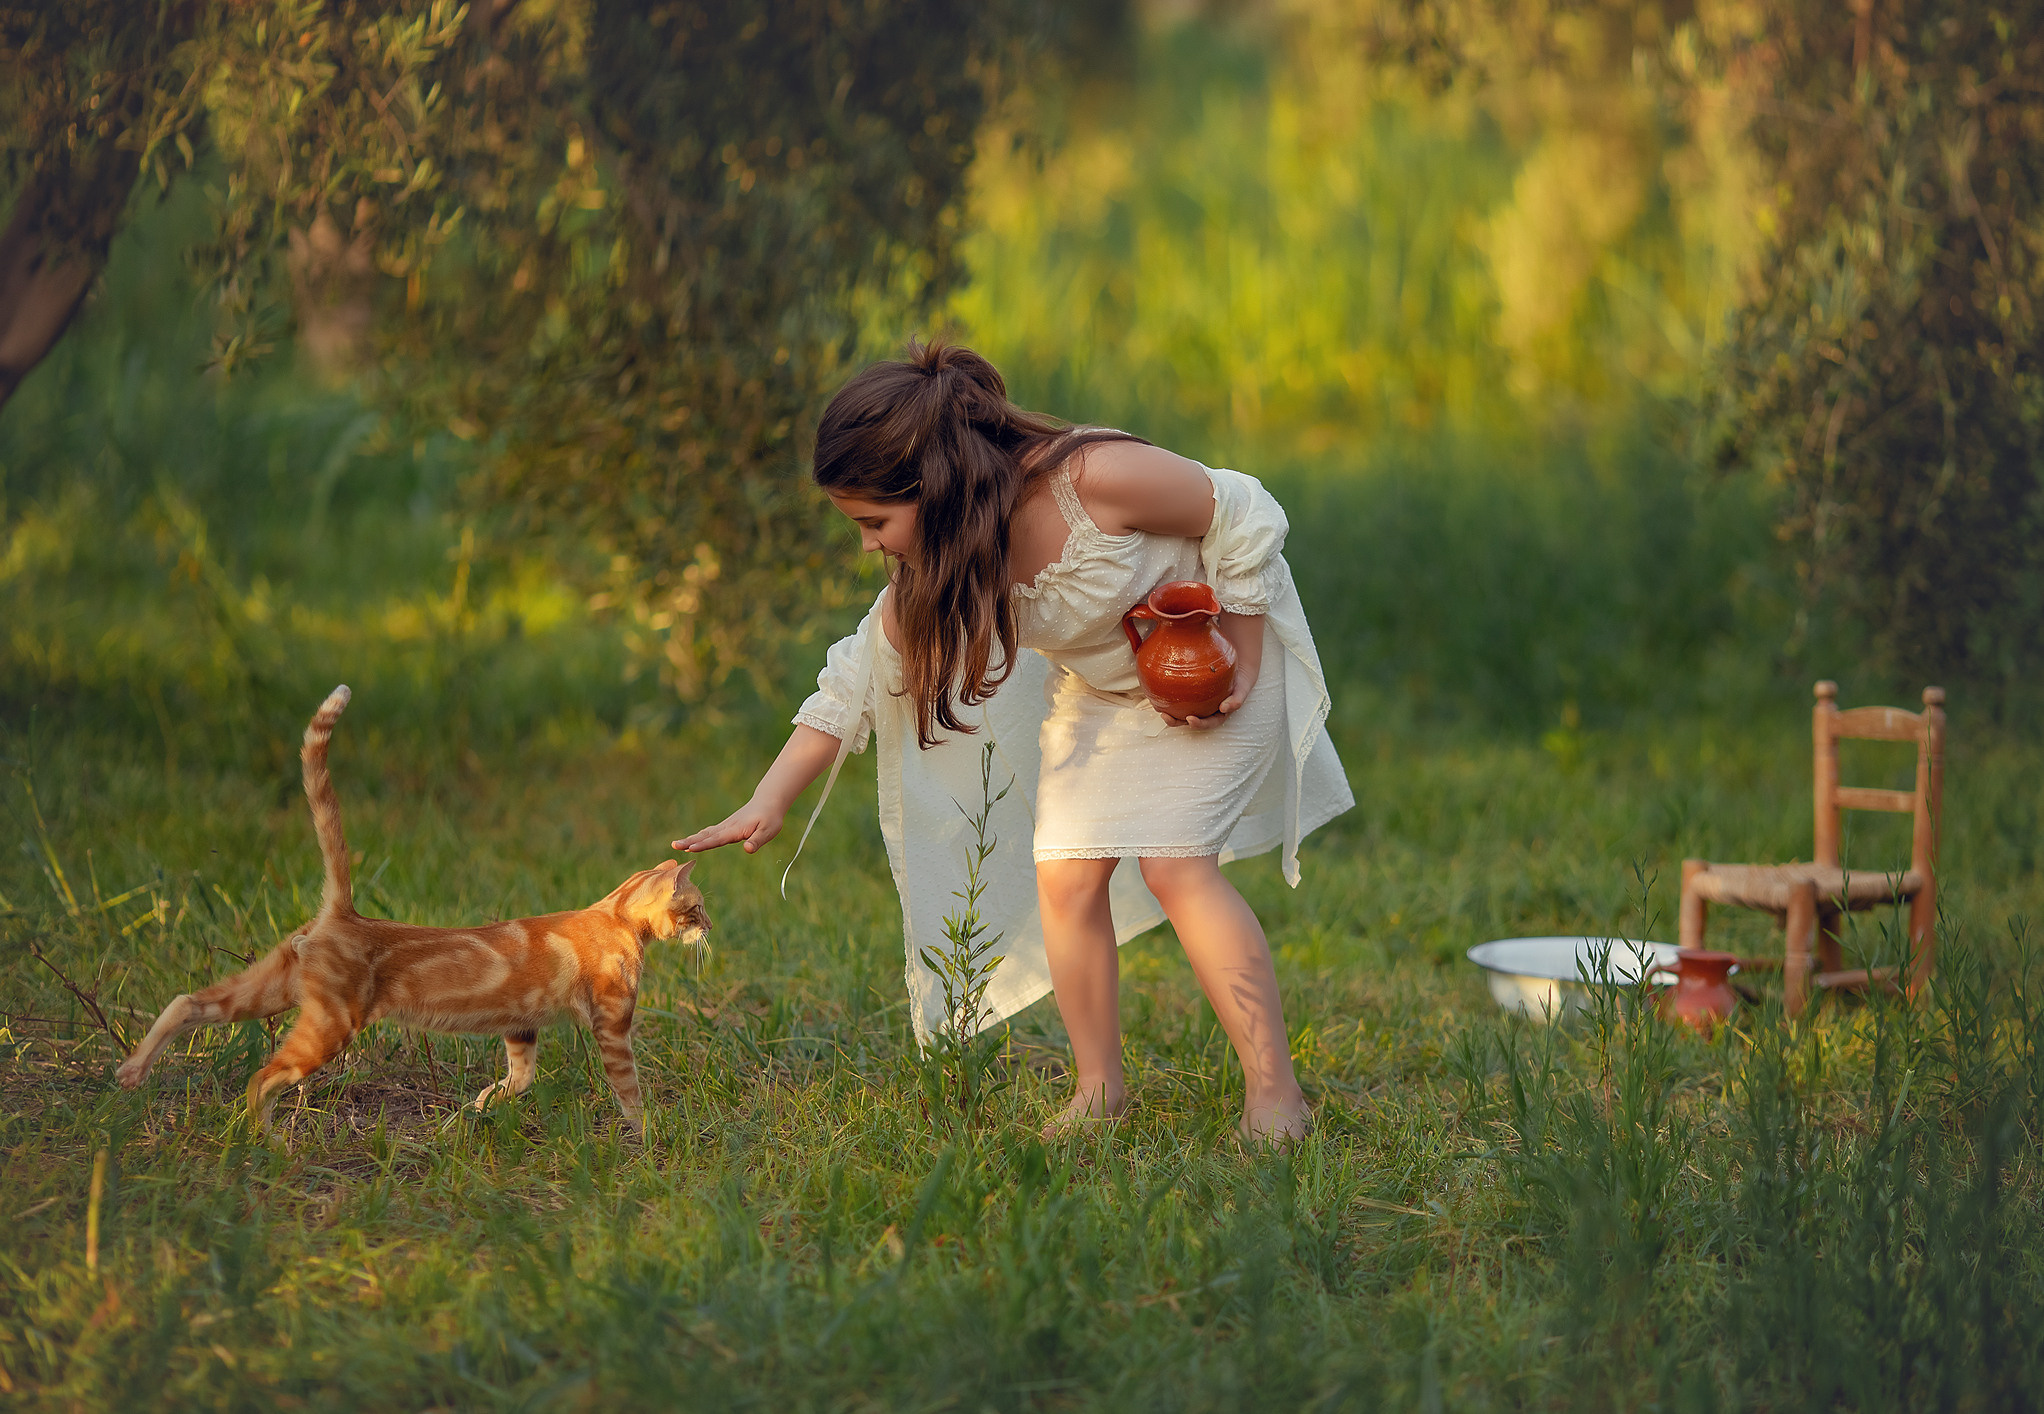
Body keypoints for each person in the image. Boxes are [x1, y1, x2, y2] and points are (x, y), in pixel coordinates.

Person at [676, 341, 1352, 1145]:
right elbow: (854, 679)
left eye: (873, 522)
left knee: (1175, 867)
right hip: (1106, 697)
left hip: (1213, 663)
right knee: (1063, 876)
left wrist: (1233, 651)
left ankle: (1276, 1093)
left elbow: (1242, 508)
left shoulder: (1092, 482)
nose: (867, 546)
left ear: (934, 488)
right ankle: (1100, 1089)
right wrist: (769, 797)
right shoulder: (951, 562)